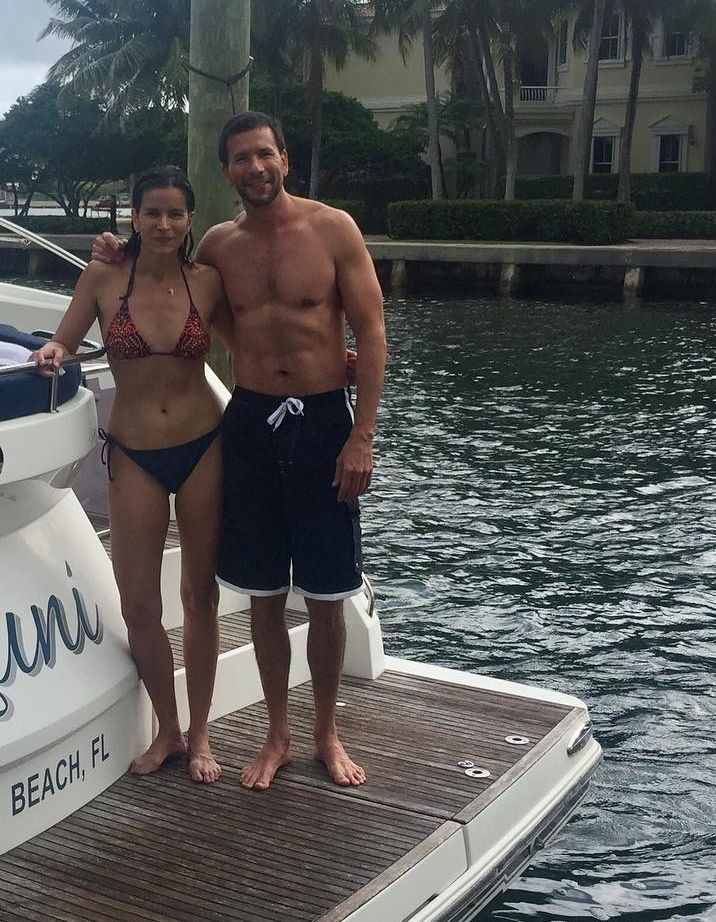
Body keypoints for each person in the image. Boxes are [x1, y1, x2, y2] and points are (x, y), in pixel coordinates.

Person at [94, 111, 387, 791]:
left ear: (284, 158)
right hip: (252, 420)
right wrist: (114, 248)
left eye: (264, 154)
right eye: (241, 159)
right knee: (262, 593)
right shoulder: (220, 247)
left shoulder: (334, 229)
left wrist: (362, 434)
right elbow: (184, 294)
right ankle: (277, 735)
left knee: (327, 594)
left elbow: (371, 332)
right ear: (226, 173)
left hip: (324, 423)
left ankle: (325, 733)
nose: (255, 168)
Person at [34, 166, 231, 784]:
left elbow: (257, 343)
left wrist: (331, 363)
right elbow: (65, 339)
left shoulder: (209, 282)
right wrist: (52, 353)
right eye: (152, 213)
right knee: (139, 602)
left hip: (203, 445)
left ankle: (201, 733)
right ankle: (168, 730)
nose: (164, 224)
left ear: (190, 220)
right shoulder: (103, 277)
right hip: (135, 452)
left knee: (200, 598)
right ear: (134, 218)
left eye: (175, 213)